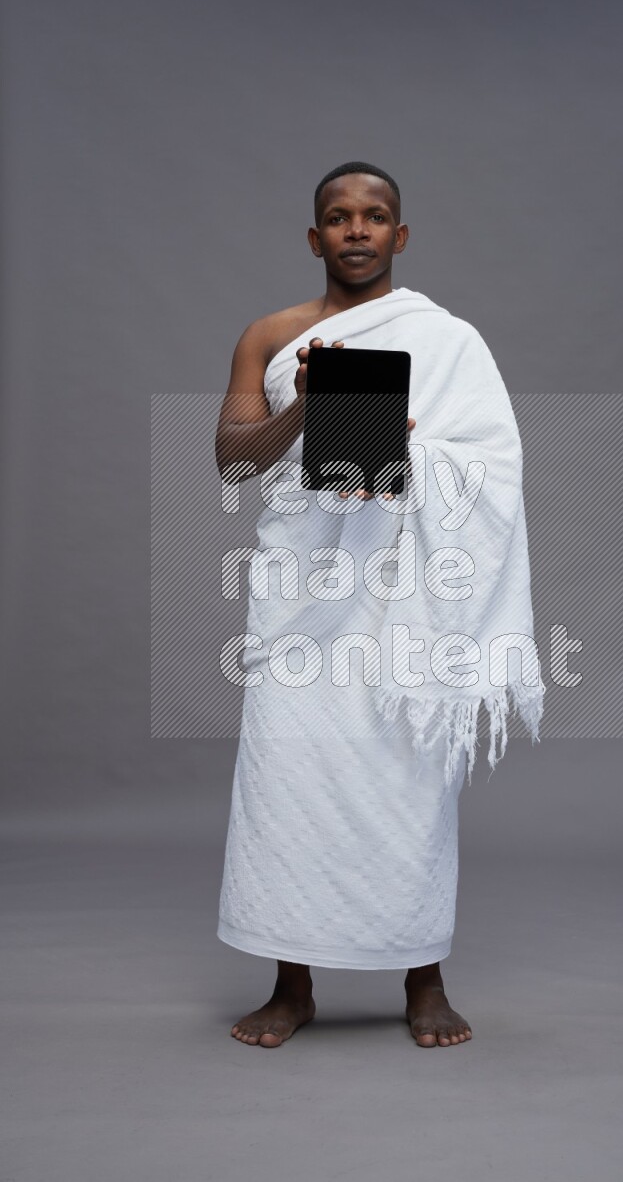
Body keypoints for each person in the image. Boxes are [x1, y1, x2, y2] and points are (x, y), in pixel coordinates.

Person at [215, 161, 543, 1048]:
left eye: (375, 216)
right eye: (337, 216)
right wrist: (311, 413)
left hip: (407, 595)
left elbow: (492, 464)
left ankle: (422, 974)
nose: (356, 230)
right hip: (303, 594)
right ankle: (292, 983)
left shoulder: (449, 340)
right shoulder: (269, 336)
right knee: (288, 775)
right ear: (314, 236)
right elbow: (235, 459)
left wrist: (409, 458)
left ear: (399, 237)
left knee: (408, 772)